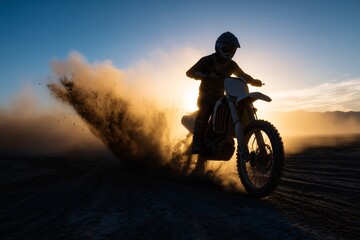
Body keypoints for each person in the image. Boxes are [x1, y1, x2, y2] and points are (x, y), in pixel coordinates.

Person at [186, 31, 263, 154]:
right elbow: (190, 72)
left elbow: (242, 75)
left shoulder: (231, 65)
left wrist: (253, 81)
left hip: (222, 97)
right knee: (205, 111)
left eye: (232, 50)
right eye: (227, 49)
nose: (230, 53)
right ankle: (197, 143)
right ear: (219, 47)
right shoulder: (207, 60)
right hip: (206, 96)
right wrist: (205, 75)